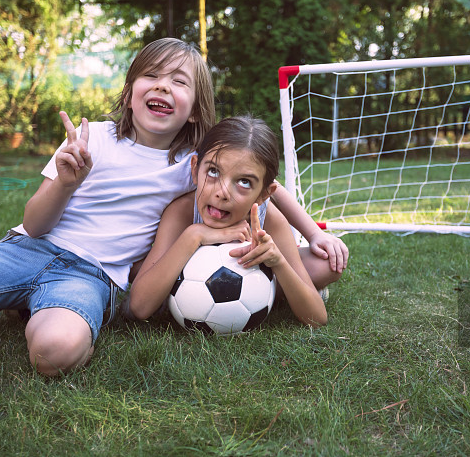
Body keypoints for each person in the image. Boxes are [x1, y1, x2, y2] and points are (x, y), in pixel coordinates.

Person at [0, 38, 346, 375]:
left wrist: (316, 231)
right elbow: (34, 222)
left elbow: (268, 184)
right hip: (26, 248)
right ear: (130, 90)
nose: (162, 87)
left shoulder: (197, 160)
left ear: (196, 109)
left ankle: (25, 309)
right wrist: (65, 182)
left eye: (178, 81)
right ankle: (6, 297)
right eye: (152, 76)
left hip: (91, 275)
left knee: (54, 352)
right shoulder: (91, 140)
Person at [122, 115, 339, 327]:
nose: (222, 193)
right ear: (196, 168)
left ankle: (271, 291)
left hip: (264, 274)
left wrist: (278, 261)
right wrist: (194, 235)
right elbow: (139, 307)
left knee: (324, 265)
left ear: (264, 194)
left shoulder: (270, 219)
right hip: (184, 270)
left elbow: (318, 318)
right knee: (141, 270)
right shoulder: (182, 212)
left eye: (244, 182)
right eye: (214, 171)